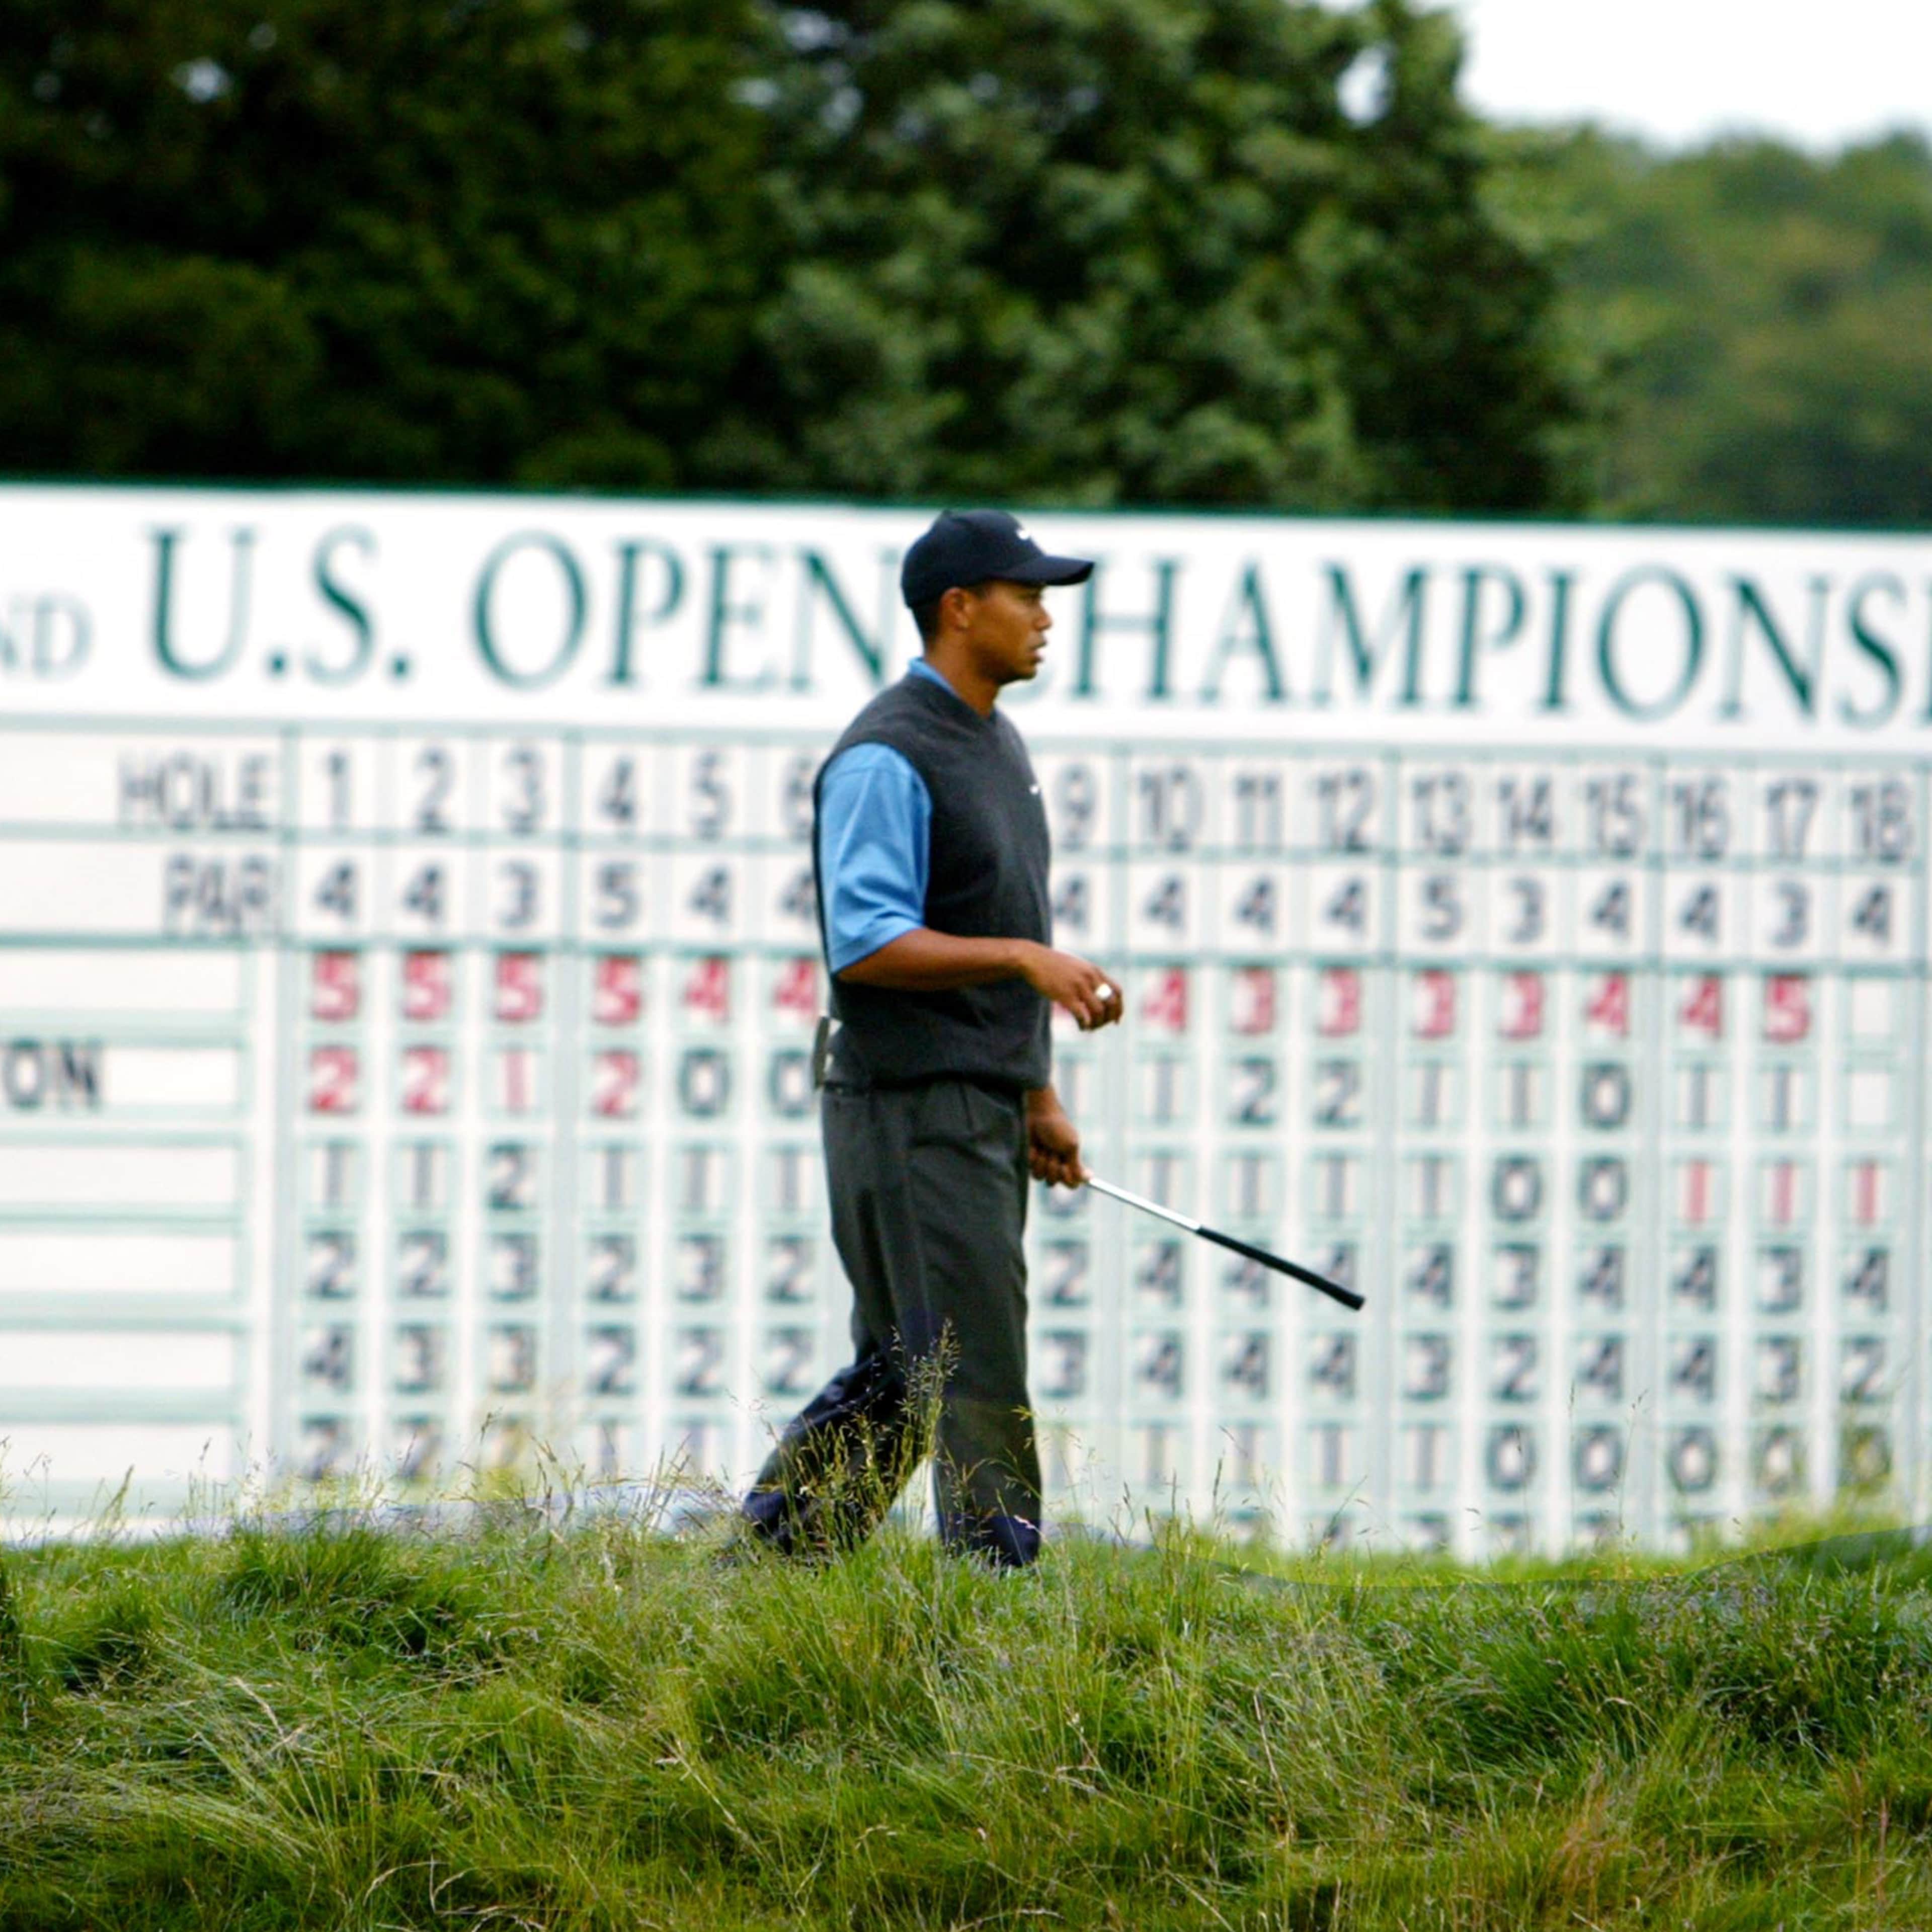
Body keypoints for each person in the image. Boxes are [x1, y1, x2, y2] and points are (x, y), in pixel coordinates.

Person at [738, 509, 1124, 1567]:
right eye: (1027, 595)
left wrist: (1036, 1097)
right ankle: (994, 1611)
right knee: (972, 1368)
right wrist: (1019, 959)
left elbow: (1007, 925)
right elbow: (865, 946)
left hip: (973, 1105)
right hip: (909, 1106)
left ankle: (762, 1574)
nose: (1046, 617)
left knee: (913, 1371)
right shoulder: (887, 755)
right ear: (961, 609)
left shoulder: (995, 742)